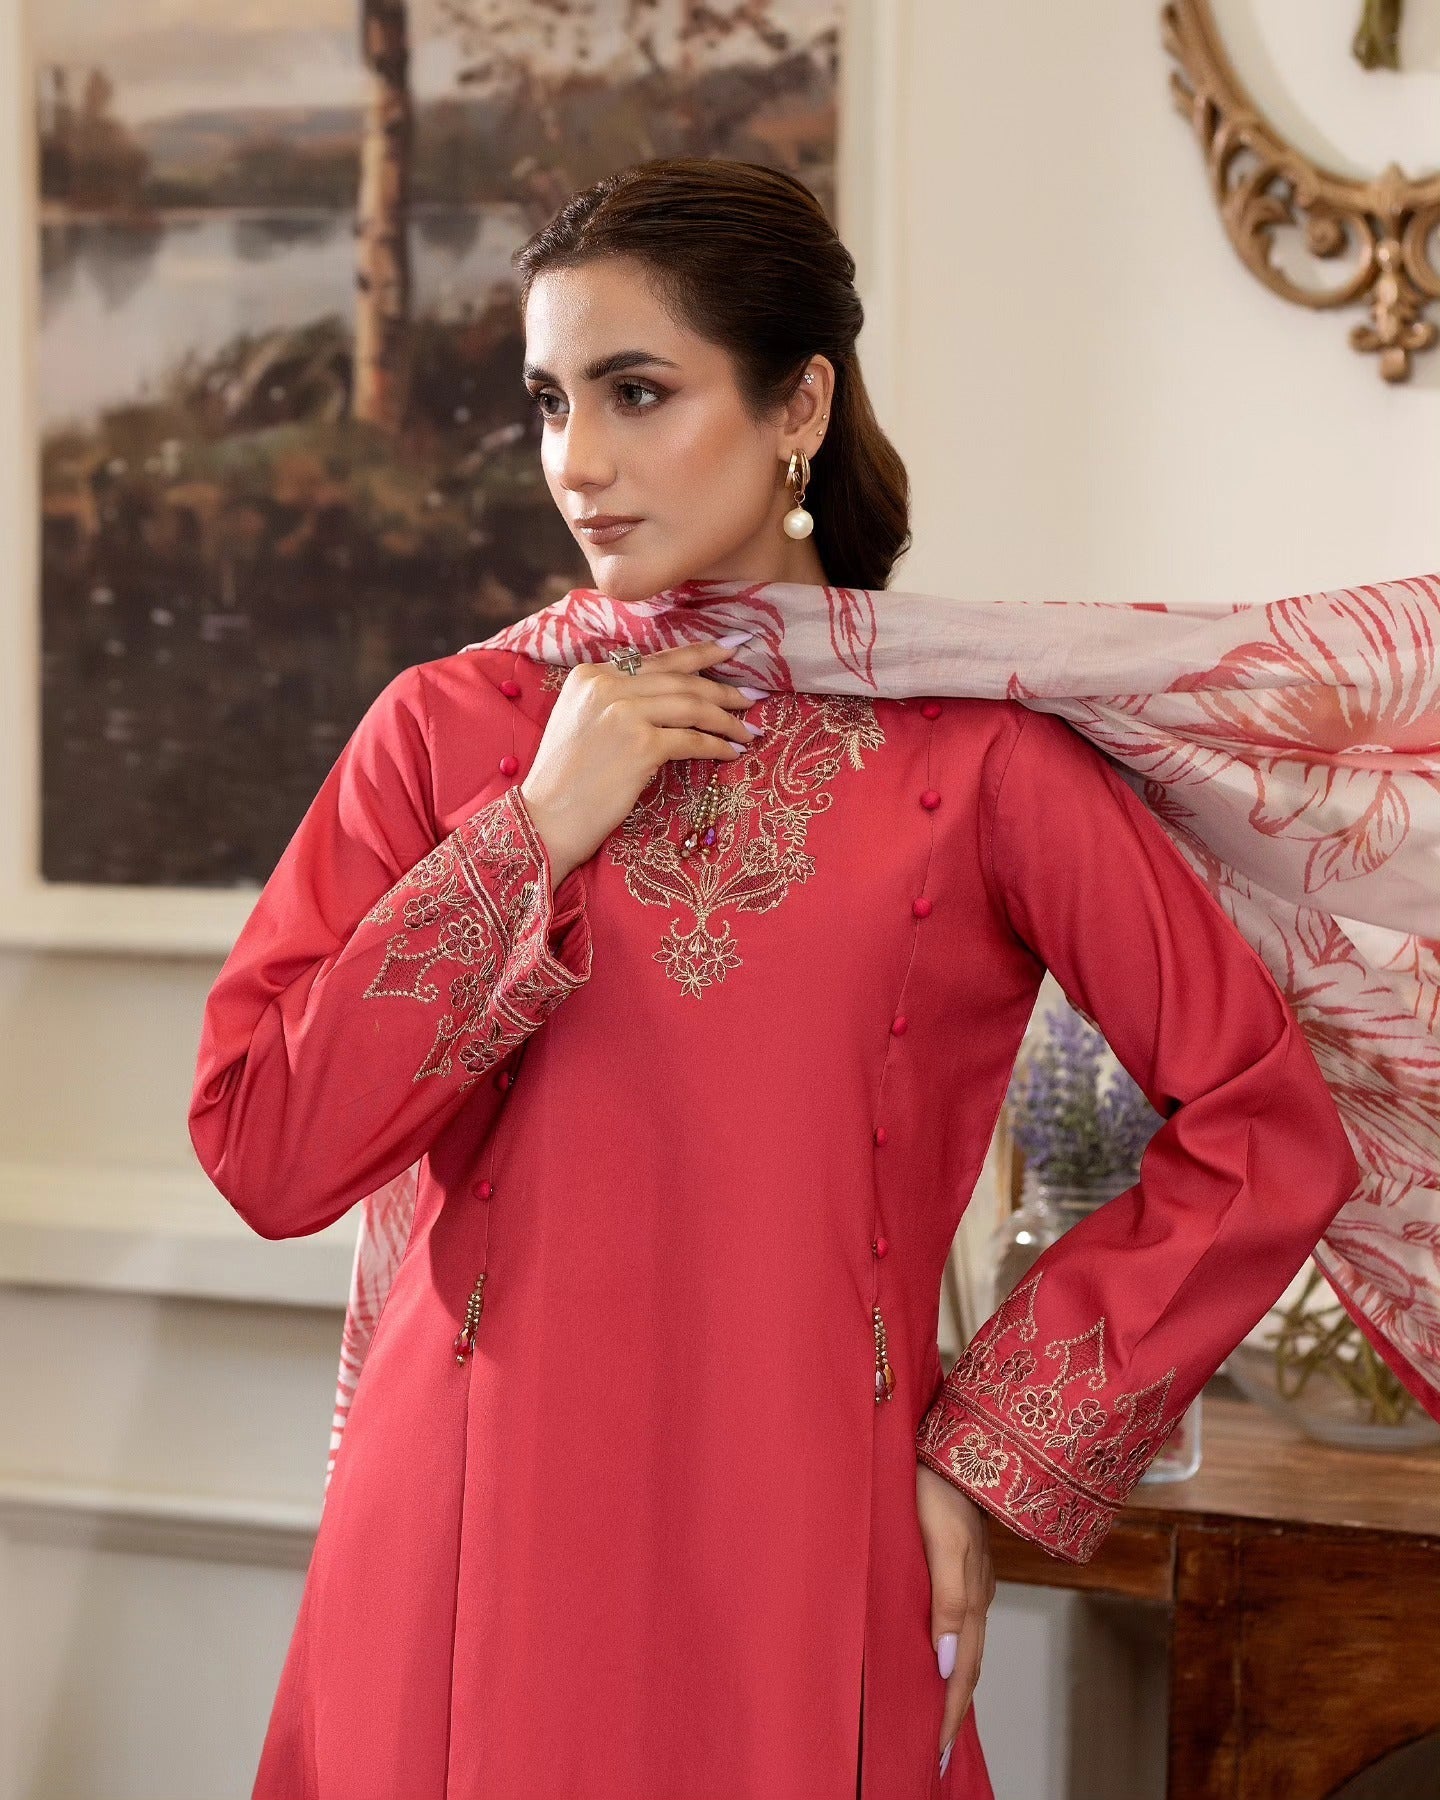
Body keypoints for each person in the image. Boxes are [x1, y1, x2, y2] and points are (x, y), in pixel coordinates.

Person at [189, 158, 1364, 1799]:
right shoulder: (453, 732)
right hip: (457, 1532)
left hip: (804, 1539)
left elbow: (1266, 1128)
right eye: (549, 402)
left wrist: (982, 1462)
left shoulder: (976, 759)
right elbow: (265, 1147)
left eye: (637, 392)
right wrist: (533, 831)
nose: (577, 462)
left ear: (798, 403)